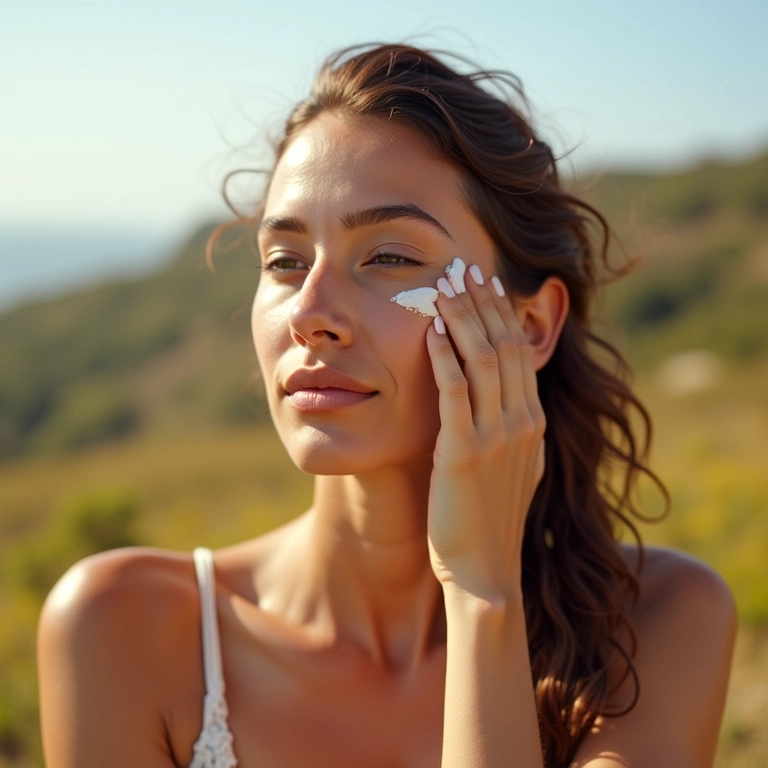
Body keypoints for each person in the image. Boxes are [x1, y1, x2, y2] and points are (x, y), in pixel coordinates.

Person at [37, 43, 736, 767]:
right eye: (285, 261)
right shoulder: (125, 628)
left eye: (391, 257)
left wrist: (483, 597)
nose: (310, 312)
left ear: (528, 326)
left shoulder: (661, 621)